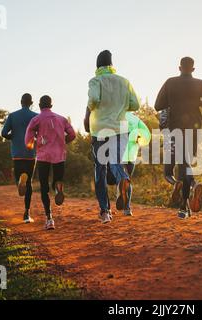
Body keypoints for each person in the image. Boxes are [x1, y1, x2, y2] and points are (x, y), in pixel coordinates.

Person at [155, 57, 202, 219]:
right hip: (194, 126)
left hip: (176, 126)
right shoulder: (200, 83)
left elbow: (157, 105)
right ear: (193, 69)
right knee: (186, 162)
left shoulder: (170, 82)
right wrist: (198, 103)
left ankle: (184, 205)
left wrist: (173, 102)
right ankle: (187, 200)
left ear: (180, 67)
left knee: (183, 164)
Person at [87, 50, 141, 224]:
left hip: (100, 130)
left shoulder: (95, 81)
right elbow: (135, 104)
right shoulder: (124, 81)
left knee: (100, 170)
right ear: (112, 65)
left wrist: (91, 108)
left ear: (97, 66)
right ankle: (123, 180)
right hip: (121, 128)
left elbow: (93, 99)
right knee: (117, 162)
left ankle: (105, 211)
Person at [85, 110, 151, 216]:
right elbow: (146, 134)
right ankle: (127, 209)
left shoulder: (114, 116)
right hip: (131, 154)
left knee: (112, 177)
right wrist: (140, 140)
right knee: (126, 178)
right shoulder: (135, 119)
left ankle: (109, 205)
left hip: (117, 153)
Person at [25, 95, 76, 230]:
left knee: (43, 187)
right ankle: (58, 187)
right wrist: (63, 142)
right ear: (51, 106)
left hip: (43, 157)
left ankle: (49, 219)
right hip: (59, 155)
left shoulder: (36, 119)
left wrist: (32, 143)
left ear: (40, 106)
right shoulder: (61, 119)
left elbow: (28, 138)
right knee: (57, 179)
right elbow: (73, 134)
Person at [1, 93, 38, 223]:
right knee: (29, 183)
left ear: (21, 102)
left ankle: (18, 182)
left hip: (17, 154)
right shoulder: (35, 117)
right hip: (30, 154)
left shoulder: (12, 116)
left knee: (20, 179)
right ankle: (27, 214)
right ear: (31, 103)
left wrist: (14, 137)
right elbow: (40, 134)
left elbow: (3, 133)